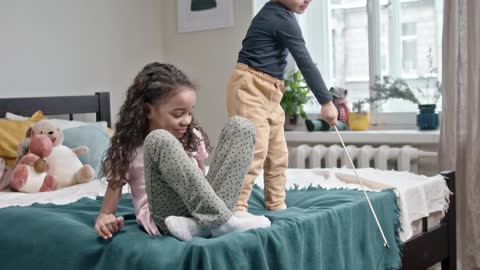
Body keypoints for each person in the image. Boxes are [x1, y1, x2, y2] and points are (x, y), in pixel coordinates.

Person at [95, 62, 271, 241]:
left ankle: (204, 224)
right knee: (158, 139)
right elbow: (106, 212)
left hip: (199, 207)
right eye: (178, 113)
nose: (187, 120)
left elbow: (200, 179)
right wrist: (105, 219)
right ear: (148, 110)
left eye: (190, 113)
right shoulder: (128, 149)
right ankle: (222, 221)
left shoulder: (192, 136)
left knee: (241, 126)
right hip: (167, 218)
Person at [226, 0, 338, 213]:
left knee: (278, 153)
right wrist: (326, 101)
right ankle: (236, 208)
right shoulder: (279, 17)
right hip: (249, 87)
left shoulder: (285, 16)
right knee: (253, 150)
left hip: (272, 91)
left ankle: (276, 204)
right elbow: (305, 61)